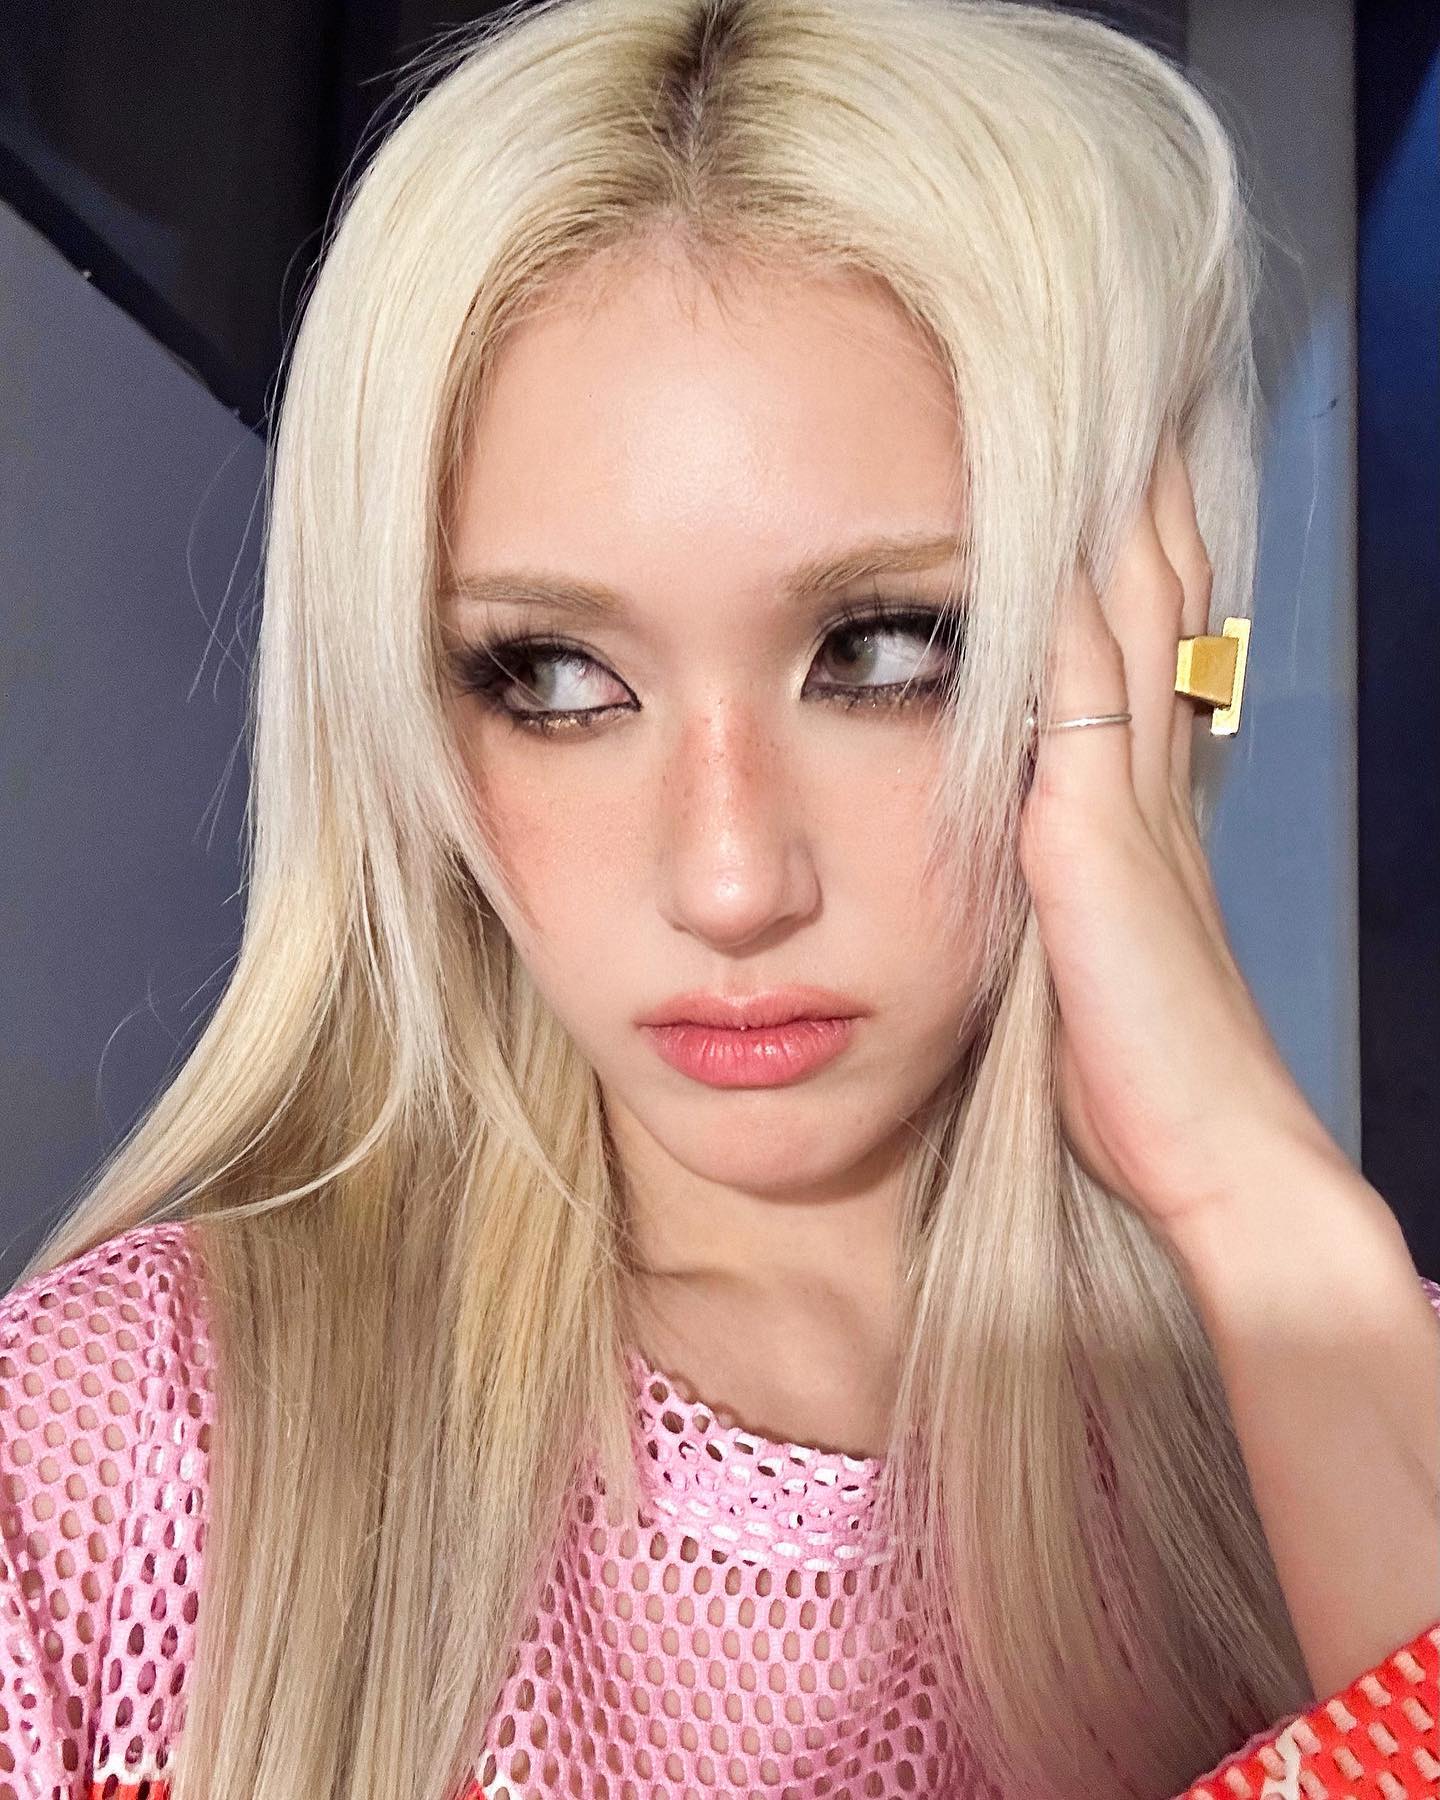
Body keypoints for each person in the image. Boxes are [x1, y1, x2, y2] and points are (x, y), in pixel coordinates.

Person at [2, 0, 1437, 1796]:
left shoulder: (1356, 1397)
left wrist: (1260, 1207)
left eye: (888, 648)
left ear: (1141, 659)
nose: (731, 881)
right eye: (552, 676)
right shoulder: (110, 1464)